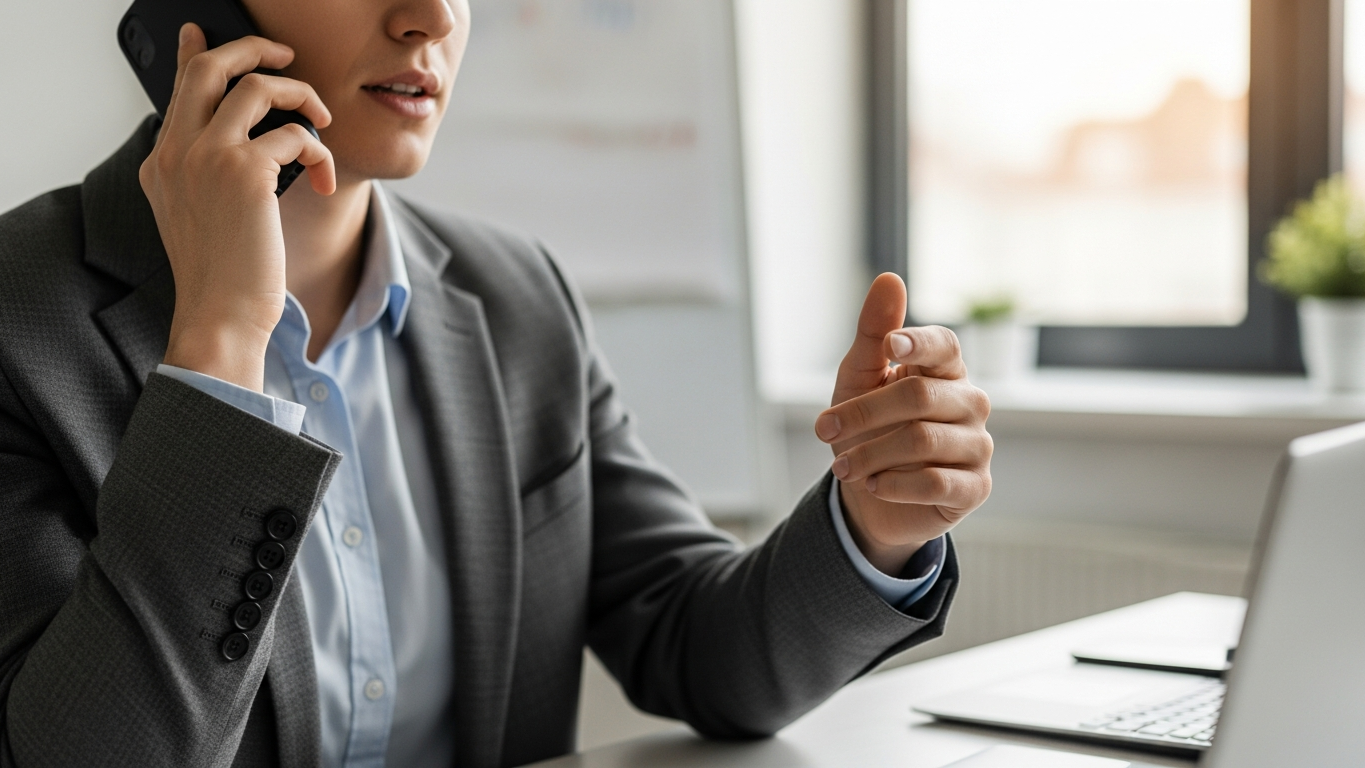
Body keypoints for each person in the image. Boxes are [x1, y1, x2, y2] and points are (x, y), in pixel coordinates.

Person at [0, 1, 993, 766]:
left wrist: (875, 523)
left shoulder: (514, 298)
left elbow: (701, 644)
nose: (431, 16)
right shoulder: (21, 319)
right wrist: (220, 341)